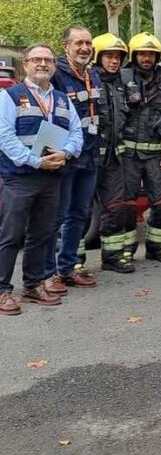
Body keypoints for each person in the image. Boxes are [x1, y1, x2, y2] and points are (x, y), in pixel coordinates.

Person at [0, 44, 83, 314]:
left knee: (43, 234)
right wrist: (35, 160)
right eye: (37, 59)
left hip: (52, 177)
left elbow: (76, 132)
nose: (43, 64)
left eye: (48, 60)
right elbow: (5, 137)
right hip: (20, 178)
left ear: (54, 66)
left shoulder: (62, 98)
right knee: (11, 236)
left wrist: (67, 152)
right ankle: (2, 291)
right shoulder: (10, 96)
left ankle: (33, 285)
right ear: (26, 64)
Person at [44, 25, 104, 289]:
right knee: (56, 217)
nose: (84, 48)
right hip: (63, 157)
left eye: (88, 43)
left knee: (80, 214)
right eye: (78, 43)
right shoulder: (56, 74)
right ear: (65, 45)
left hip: (89, 156)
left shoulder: (94, 75)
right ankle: (48, 273)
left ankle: (67, 268)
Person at [119, 32, 161, 264]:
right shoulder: (121, 79)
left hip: (156, 154)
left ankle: (157, 247)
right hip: (128, 155)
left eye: (151, 54)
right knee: (126, 205)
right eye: (143, 53)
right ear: (134, 56)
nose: (147, 58)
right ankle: (124, 250)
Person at [91, 33, 136, 273]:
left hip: (115, 157)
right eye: (109, 56)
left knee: (115, 206)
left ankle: (111, 256)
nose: (114, 61)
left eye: (118, 57)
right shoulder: (89, 81)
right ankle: (73, 263)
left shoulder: (121, 83)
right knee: (79, 210)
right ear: (98, 57)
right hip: (90, 155)